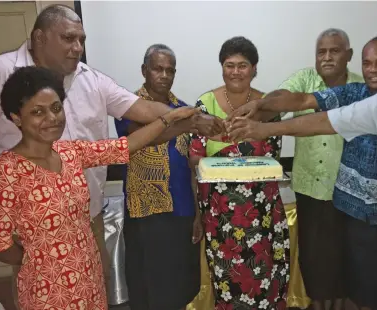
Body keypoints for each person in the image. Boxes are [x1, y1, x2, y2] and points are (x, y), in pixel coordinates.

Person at [0, 4, 222, 304]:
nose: (77, 47)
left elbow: (130, 136)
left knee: (101, 286)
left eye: (81, 39)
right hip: (30, 241)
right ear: (39, 37)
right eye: (68, 38)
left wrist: (179, 119)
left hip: (87, 223)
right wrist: (35, 257)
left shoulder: (75, 139)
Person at [226, 25, 377, 310]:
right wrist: (263, 127)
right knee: (359, 290)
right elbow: (323, 119)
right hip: (374, 226)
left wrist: (263, 128)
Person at [0, 66, 198, 310]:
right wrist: (37, 259)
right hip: (47, 290)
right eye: (37, 112)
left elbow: (125, 146)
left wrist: (167, 118)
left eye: (55, 108)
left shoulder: (70, 153)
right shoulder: (4, 172)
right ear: (17, 117)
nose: (52, 118)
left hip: (89, 279)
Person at [189, 36, 290, 309]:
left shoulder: (267, 106)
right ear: (221, 67)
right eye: (229, 65)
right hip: (220, 218)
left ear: (254, 69)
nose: (235, 71)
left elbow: (273, 160)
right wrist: (198, 214)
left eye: (242, 65)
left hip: (263, 217)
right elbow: (194, 160)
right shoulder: (204, 104)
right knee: (228, 285)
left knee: (266, 281)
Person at [272, 28, 363, 310]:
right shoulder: (304, 80)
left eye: (334, 51)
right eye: (321, 52)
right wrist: (264, 106)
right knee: (312, 258)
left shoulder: (362, 89)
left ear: (348, 55)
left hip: (348, 190)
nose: (326, 57)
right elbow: (283, 96)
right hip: (309, 187)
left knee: (344, 257)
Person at [114, 44, 201, 310]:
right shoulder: (126, 107)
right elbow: (142, 138)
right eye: (158, 69)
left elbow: (191, 167)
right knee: (148, 287)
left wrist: (198, 214)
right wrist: (184, 123)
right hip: (147, 212)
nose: (164, 75)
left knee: (182, 285)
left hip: (182, 211)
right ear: (144, 71)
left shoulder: (184, 108)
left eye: (170, 70)